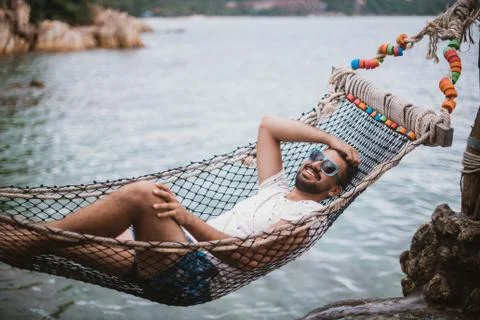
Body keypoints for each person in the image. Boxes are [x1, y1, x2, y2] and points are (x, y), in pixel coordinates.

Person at [2, 116, 360, 305]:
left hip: (193, 276)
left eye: (328, 169)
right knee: (57, 242)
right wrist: (328, 141)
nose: (316, 166)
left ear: (335, 190)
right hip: (173, 254)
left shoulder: (308, 219)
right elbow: (268, 126)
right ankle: (20, 243)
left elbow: (249, 259)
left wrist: (185, 217)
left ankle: (23, 241)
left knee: (145, 196)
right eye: (315, 159)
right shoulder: (276, 188)